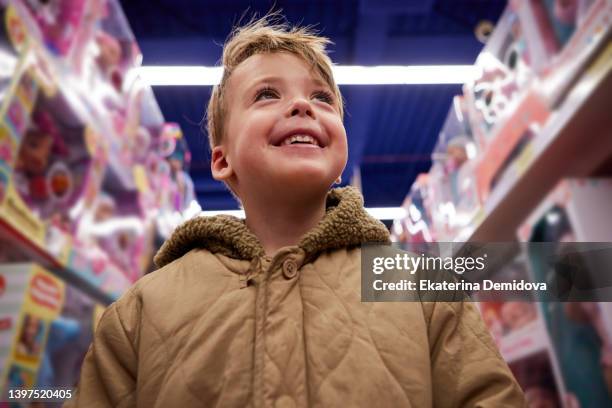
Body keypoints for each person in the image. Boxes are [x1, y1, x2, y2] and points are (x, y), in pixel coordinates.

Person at [66, 14, 525, 407]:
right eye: (267, 94)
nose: (304, 105)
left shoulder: (420, 289)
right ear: (222, 160)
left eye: (323, 98)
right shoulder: (143, 309)